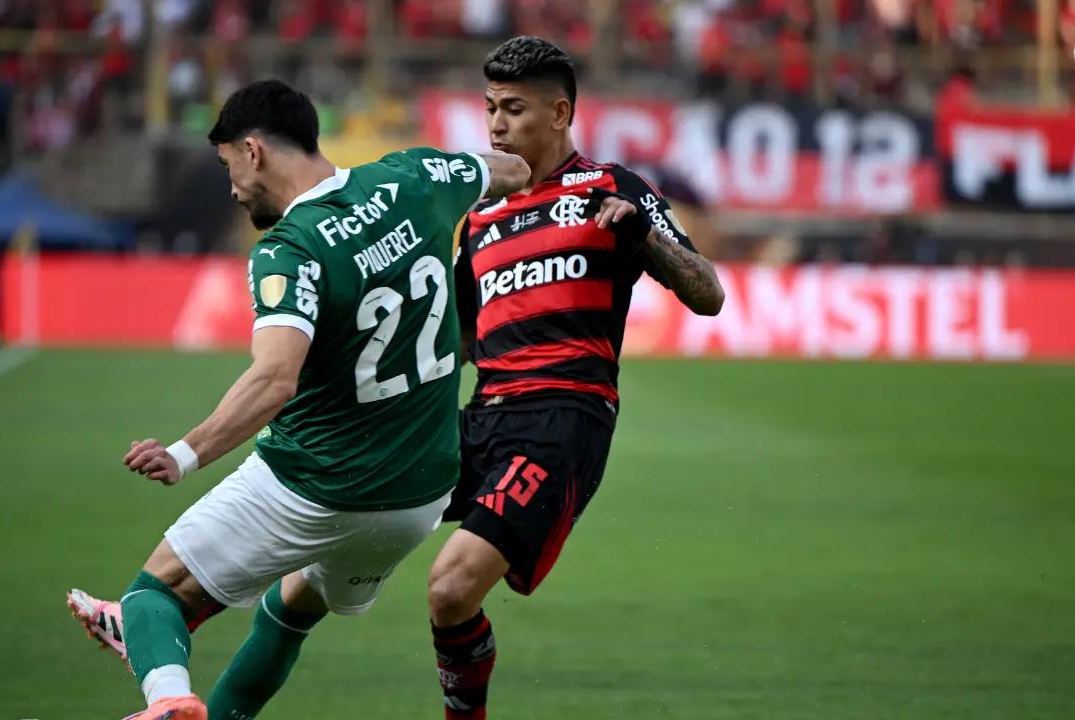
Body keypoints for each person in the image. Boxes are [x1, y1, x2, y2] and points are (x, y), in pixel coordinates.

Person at [67, 78, 529, 720]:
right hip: (418, 498)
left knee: (156, 593)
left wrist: (184, 453)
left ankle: (168, 695)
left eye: (229, 165)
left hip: (318, 485)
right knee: (292, 605)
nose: (232, 188)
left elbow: (274, 379)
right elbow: (511, 168)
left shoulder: (291, 250)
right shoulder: (416, 176)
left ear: (253, 151)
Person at [427, 36, 725, 719]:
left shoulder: (610, 189)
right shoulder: (477, 217)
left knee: (449, 590)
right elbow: (460, 343)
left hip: (560, 419)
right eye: (490, 108)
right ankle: (173, 620)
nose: (497, 125)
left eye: (515, 109)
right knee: (328, 542)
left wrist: (641, 241)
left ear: (560, 114)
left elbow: (708, 293)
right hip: (479, 419)